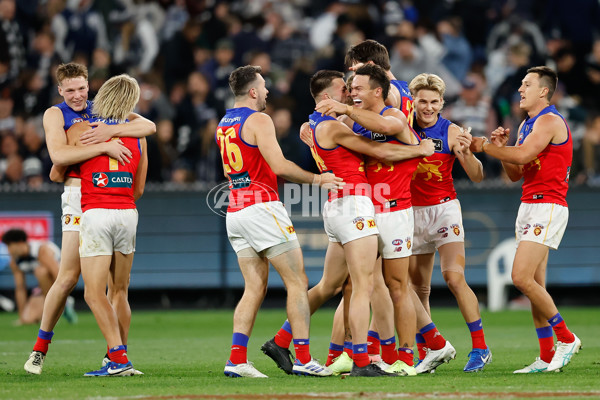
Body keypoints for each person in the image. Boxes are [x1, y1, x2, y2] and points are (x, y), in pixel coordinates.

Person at [262, 69, 434, 377]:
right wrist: (418, 149)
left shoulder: (316, 123)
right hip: (353, 205)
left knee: (333, 284)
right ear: (327, 96)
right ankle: (363, 362)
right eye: (344, 89)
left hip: (336, 209)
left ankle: (281, 340)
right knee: (364, 286)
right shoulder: (333, 125)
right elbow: (377, 149)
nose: (349, 94)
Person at [24, 62, 155, 375]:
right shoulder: (55, 114)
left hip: (104, 196)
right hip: (78, 197)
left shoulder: (102, 110)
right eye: (70, 90)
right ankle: (40, 349)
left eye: (82, 88)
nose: (77, 95)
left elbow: (147, 126)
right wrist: (108, 144)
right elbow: (57, 162)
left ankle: (117, 356)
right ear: (60, 90)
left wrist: (111, 133)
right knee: (68, 277)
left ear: (89, 86)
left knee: (113, 287)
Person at [218, 65, 342, 378]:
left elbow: (227, 172)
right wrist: (318, 178)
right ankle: (302, 357)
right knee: (297, 282)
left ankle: (236, 359)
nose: (268, 92)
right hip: (262, 207)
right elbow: (279, 165)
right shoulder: (259, 119)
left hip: (236, 209)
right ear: (253, 91)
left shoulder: (224, 123)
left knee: (254, 287)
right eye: (264, 86)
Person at [470, 66, 581, 373]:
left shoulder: (548, 121)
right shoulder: (527, 126)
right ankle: (547, 356)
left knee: (520, 278)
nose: (520, 89)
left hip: (548, 205)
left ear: (544, 91)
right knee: (535, 285)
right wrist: (503, 148)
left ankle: (566, 338)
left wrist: (486, 147)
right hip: (529, 204)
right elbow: (516, 172)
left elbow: (522, 156)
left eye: (527, 84)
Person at [64, 74, 148, 377]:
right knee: (120, 291)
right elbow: (139, 187)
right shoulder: (139, 135)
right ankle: (121, 356)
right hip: (127, 212)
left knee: (92, 293)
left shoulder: (81, 128)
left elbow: (57, 168)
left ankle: (117, 358)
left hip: (97, 211)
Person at [407, 73, 490, 373]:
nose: (428, 107)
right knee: (418, 289)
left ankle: (480, 348)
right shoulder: (402, 127)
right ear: (413, 101)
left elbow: (478, 175)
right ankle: (427, 351)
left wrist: (466, 154)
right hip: (412, 212)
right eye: (422, 101)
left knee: (454, 278)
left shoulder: (452, 132)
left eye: (433, 102)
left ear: (442, 103)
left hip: (444, 211)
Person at [2, 229, 64, 325]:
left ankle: (59, 309)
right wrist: (22, 316)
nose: (8, 250)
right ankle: (53, 310)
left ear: (20, 243)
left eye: (10, 246)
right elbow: (20, 288)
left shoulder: (41, 251)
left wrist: (61, 298)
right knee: (28, 319)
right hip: (42, 288)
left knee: (41, 271)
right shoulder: (14, 261)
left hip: (60, 285)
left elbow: (59, 276)